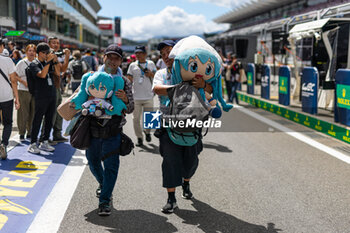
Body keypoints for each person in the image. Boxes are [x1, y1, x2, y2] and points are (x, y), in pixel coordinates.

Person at [72, 44, 134, 216]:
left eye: (117, 58)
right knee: (92, 161)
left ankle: (105, 201)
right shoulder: (91, 76)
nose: (113, 61)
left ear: (121, 61)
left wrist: (125, 100)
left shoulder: (125, 82)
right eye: (110, 57)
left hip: (113, 129)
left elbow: (131, 109)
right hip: (91, 127)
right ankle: (103, 183)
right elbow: (80, 96)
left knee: (111, 166)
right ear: (104, 57)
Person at [153, 40, 210, 213]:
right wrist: (179, 87)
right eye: (162, 55)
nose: (166, 57)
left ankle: (186, 182)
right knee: (170, 161)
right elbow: (157, 89)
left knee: (191, 160)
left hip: (193, 123)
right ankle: (171, 199)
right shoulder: (162, 73)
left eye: (169, 52)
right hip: (168, 123)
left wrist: (203, 85)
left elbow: (211, 90)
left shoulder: (192, 72)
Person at [27, 42, 60, 154]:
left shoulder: (48, 63)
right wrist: (49, 62)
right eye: (46, 53)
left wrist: (54, 62)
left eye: (48, 53)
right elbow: (42, 75)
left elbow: (58, 74)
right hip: (40, 95)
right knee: (38, 119)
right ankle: (32, 143)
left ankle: (44, 141)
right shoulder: (33, 64)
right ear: (39, 53)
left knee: (49, 119)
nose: (47, 55)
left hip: (51, 94)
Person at [127, 45, 156, 146]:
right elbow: (129, 79)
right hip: (136, 97)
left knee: (150, 118)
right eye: (137, 53)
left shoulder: (151, 64)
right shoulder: (132, 65)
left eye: (140, 53)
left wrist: (151, 74)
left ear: (145, 54)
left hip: (149, 96)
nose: (138, 55)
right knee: (135, 119)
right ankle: (139, 137)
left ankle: (147, 132)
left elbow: (157, 77)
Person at [47, 36, 70, 143]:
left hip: (56, 86)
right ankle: (46, 137)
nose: (56, 45)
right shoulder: (48, 55)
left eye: (57, 43)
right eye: (53, 42)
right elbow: (57, 72)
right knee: (51, 113)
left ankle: (57, 134)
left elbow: (63, 69)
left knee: (59, 110)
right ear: (49, 44)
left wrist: (67, 57)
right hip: (49, 87)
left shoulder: (56, 55)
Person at [0, 38, 20, 159]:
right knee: (7, 122)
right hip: (6, 96)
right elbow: (13, 81)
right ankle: (4, 144)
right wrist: (17, 98)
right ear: (2, 47)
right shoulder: (7, 60)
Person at [15, 44, 36, 142]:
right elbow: (14, 76)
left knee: (33, 112)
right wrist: (23, 82)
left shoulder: (38, 63)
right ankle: (22, 133)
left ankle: (30, 132)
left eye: (33, 51)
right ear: (26, 52)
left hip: (35, 91)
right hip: (23, 90)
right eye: (29, 50)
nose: (31, 52)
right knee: (23, 113)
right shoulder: (21, 63)